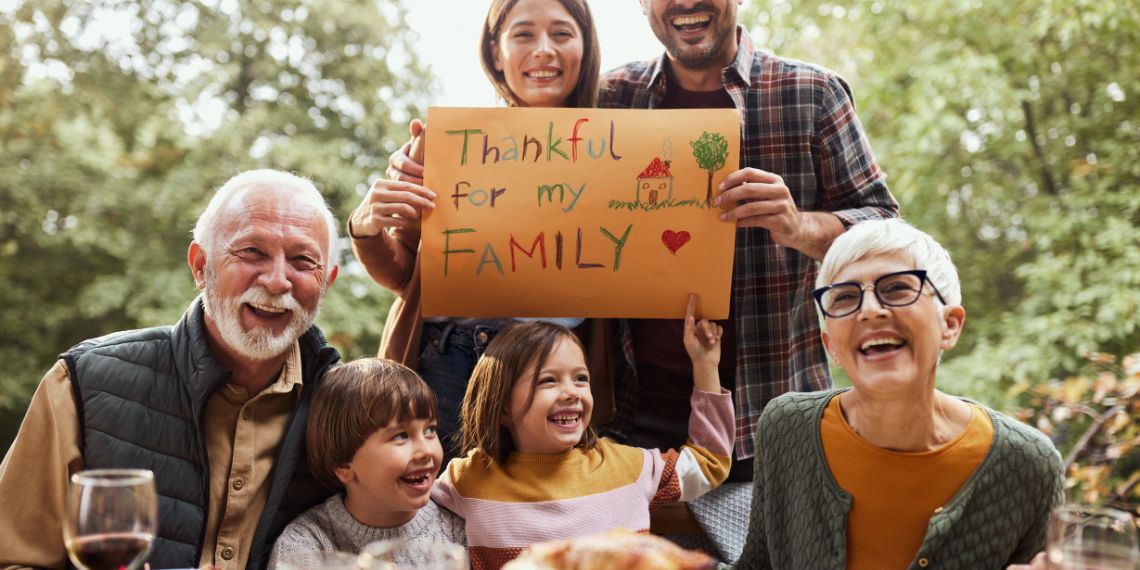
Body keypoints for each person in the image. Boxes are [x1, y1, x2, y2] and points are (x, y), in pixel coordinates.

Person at [597, 0, 900, 480]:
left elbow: (887, 234)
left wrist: (798, 226)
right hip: (628, 429)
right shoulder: (611, 96)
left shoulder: (812, 92)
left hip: (773, 426)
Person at [0, 170, 343, 570]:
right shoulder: (81, 382)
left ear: (327, 283)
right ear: (201, 266)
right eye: (252, 251)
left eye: (302, 260)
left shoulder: (345, 408)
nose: (277, 279)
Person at [350, 0, 604, 462]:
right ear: (496, 51)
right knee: (432, 514)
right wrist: (367, 228)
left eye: (562, 34)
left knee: (529, 520)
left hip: (552, 369)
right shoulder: (451, 142)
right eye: (524, 34)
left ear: (586, 47)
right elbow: (403, 271)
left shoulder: (615, 144)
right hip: (446, 360)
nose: (543, 50)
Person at [731, 219, 1064, 569]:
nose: (870, 309)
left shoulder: (1030, 465)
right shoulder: (786, 428)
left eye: (898, 288)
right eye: (845, 296)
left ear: (949, 326)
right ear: (831, 346)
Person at [431, 296, 734, 570]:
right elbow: (407, 505)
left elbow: (707, 464)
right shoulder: (468, 478)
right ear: (502, 407)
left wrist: (705, 365)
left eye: (580, 379)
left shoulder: (628, 467)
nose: (571, 392)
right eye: (548, 381)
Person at [268, 358, 464, 568]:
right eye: (401, 436)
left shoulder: (458, 532)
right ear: (343, 464)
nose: (425, 450)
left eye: (430, 430)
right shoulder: (303, 547)